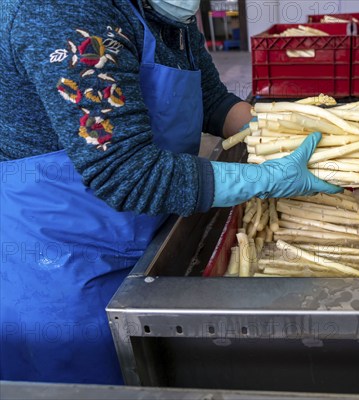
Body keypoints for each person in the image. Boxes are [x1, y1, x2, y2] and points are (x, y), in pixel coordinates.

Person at [0, 0, 341, 384]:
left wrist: (286, 130)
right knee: (99, 381)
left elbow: (210, 99)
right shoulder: (60, 12)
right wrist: (264, 179)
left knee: (159, 375)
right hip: (64, 260)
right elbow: (126, 172)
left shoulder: (167, 13)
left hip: (149, 225)